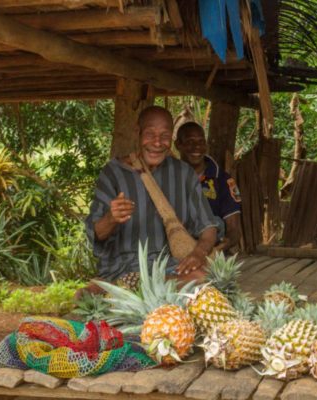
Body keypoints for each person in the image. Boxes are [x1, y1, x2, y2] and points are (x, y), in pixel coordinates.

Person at [85, 106, 218, 287]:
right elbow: (97, 233)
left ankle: (137, 287)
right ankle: (131, 286)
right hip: (124, 267)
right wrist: (111, 218)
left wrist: (198, 254)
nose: (157, 143)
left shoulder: (184, 174)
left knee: (206, 276)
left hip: (171, 267)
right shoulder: (113, 173)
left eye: (164, 136)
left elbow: (208, 227)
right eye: (150, 134)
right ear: (138, 133)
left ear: (171, 137)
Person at [175, 121, 241, 252]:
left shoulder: (223, 180)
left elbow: (234, 230)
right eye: (190, 142)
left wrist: (218, 248)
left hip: (211, 250)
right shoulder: (168, 177)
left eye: (201, 142)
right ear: (178, 145)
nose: (196, 147)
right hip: (173, 246)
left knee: (216, 222)